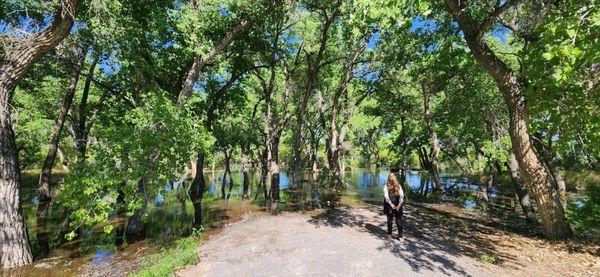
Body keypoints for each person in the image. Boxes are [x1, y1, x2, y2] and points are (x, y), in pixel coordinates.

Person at [383, 172, 404, 240]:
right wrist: (399, 205)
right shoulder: (399, 186)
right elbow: (401, 196)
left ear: (388, 179)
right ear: (395, 179)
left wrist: (391, 204)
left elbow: (386, 197)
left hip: (389, 206)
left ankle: (389, 236)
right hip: (397, 205)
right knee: (398, 220)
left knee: (390, 220)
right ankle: (400, 236)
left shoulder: (386, 186)